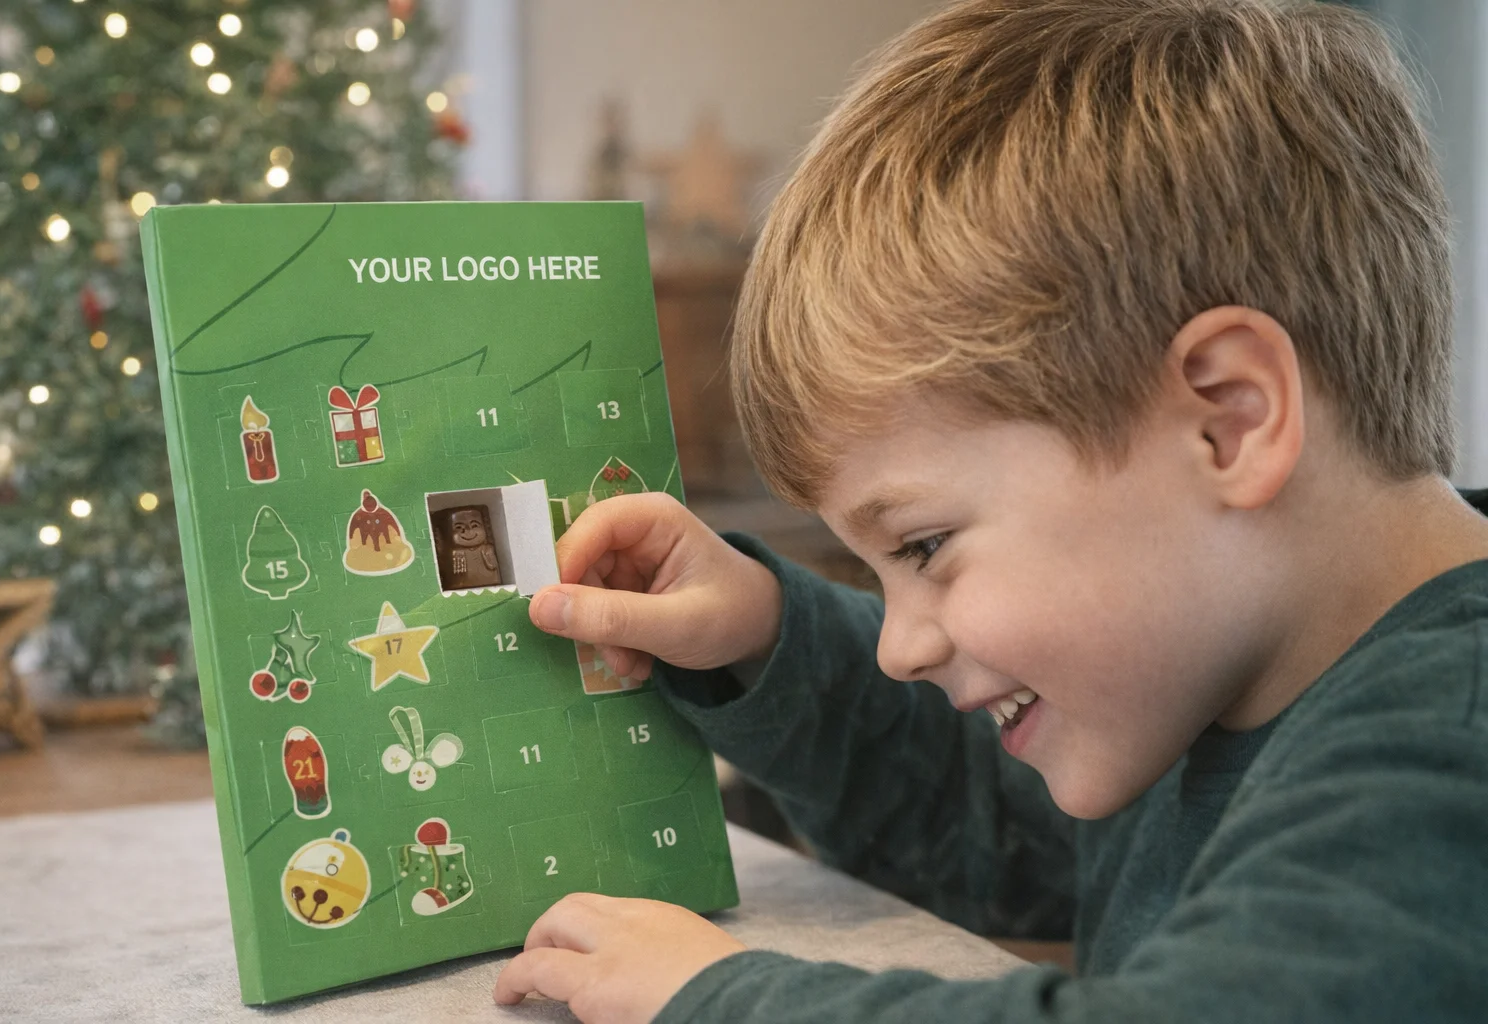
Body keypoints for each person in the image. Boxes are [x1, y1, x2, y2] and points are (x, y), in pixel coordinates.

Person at [493, 1, 1488, 1021]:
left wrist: (717, 1000)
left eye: (924, 544)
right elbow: (987, 813)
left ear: (1228, 423)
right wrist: (763, 635)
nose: (902, 647)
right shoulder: (1218, 668)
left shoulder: (1453, 759)